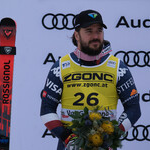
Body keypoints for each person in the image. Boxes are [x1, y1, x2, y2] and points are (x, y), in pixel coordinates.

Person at [40, 9, 141, 150]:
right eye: (89, 31)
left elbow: (134, 108)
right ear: (76, 35)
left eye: (99, 31)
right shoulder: (61, 67)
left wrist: (113, 135)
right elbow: (46, 109)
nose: (95, 36)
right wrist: (68, 138)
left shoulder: (118, 67)